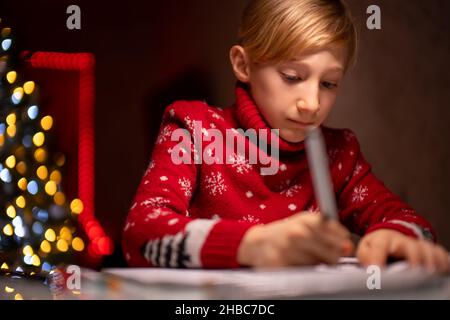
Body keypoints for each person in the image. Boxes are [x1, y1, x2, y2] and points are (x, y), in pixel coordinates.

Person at [122, 0, 449, 272]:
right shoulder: (194, 130)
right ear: (243, 65)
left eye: (328, 83)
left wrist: (394, 235)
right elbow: (140, 232)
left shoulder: (339, 153)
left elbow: (408, 220)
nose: (312, 104)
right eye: (292, 76)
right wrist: (250, 246)